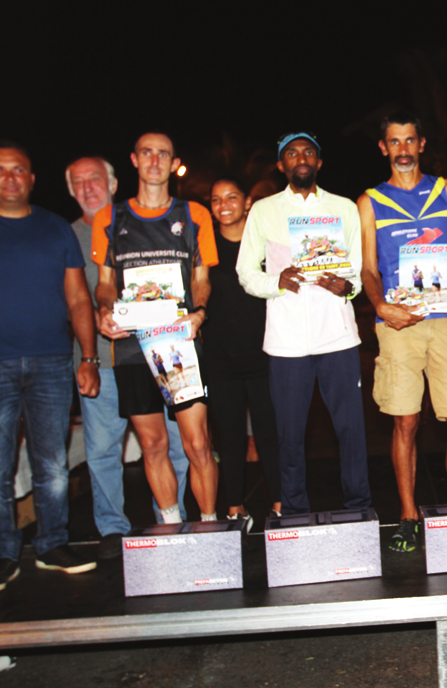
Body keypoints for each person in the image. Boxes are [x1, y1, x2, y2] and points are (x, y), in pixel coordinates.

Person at [0, 141, 99, 594]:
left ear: (32, 178)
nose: (10, 178)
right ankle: (1, 554)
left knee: (52, 465)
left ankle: (53, 544)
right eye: (0, 170)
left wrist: (88, 358)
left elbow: (78, 298)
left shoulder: (55, 229)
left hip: (51, 362)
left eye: (19, 170)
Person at [359, 112, 447, 553]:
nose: (403, 149)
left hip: (446, 321)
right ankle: (408, 515)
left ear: (422, 144)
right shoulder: (370, 202)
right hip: (397, 324)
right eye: (395, 142)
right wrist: (381, 305)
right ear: (384, 148)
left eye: (410, 141)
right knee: (405, 422)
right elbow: (368, 269)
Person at [237, 132, 371, 518]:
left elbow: (356, 271)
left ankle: (359, 507)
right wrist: (274, 283)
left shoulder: (344, 207)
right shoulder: (263, 210)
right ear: (281, 165)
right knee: (289, 436)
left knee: (351, 431)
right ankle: (294, 511)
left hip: (338, 336)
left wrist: (347, 286)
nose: (301, 158)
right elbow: (245, 271)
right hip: (287, 341)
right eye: (292, 153)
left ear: (319, 161)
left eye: (308, 151)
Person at [65, 156, 191, 558]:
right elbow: (65, 302)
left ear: (115, 184)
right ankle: (113, 531)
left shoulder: (144, 224)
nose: (88, 188)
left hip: (161, 357)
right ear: (70, 190)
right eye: (78, 182)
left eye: (95, 179)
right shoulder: (65, 236)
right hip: (99, 360)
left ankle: (173, 519)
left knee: (175, 445)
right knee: (102, 450)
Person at [93, 132, 219, 524]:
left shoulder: (194, 214)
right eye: (147, 152)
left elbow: (201, 278)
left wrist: (198, 311)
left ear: (172, 162)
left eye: (162, 154)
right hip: (132, 348)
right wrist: (104, 309)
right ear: (134, 159)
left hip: (177, 344)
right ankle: (170, 524)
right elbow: (104, 282)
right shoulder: (109, 217)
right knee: (152, 444)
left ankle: (211, 525)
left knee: (197, 444)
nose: (154, 160)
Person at [206, 177, 282, 527]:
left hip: (265, 356)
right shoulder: (205, 249)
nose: (224, 205)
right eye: (216, 199)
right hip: (221, 360)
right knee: (230, 438)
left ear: (247, 201)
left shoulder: (266, 245)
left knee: (270, 434)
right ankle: (235, 509)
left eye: (232, 197)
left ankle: (281, 504)